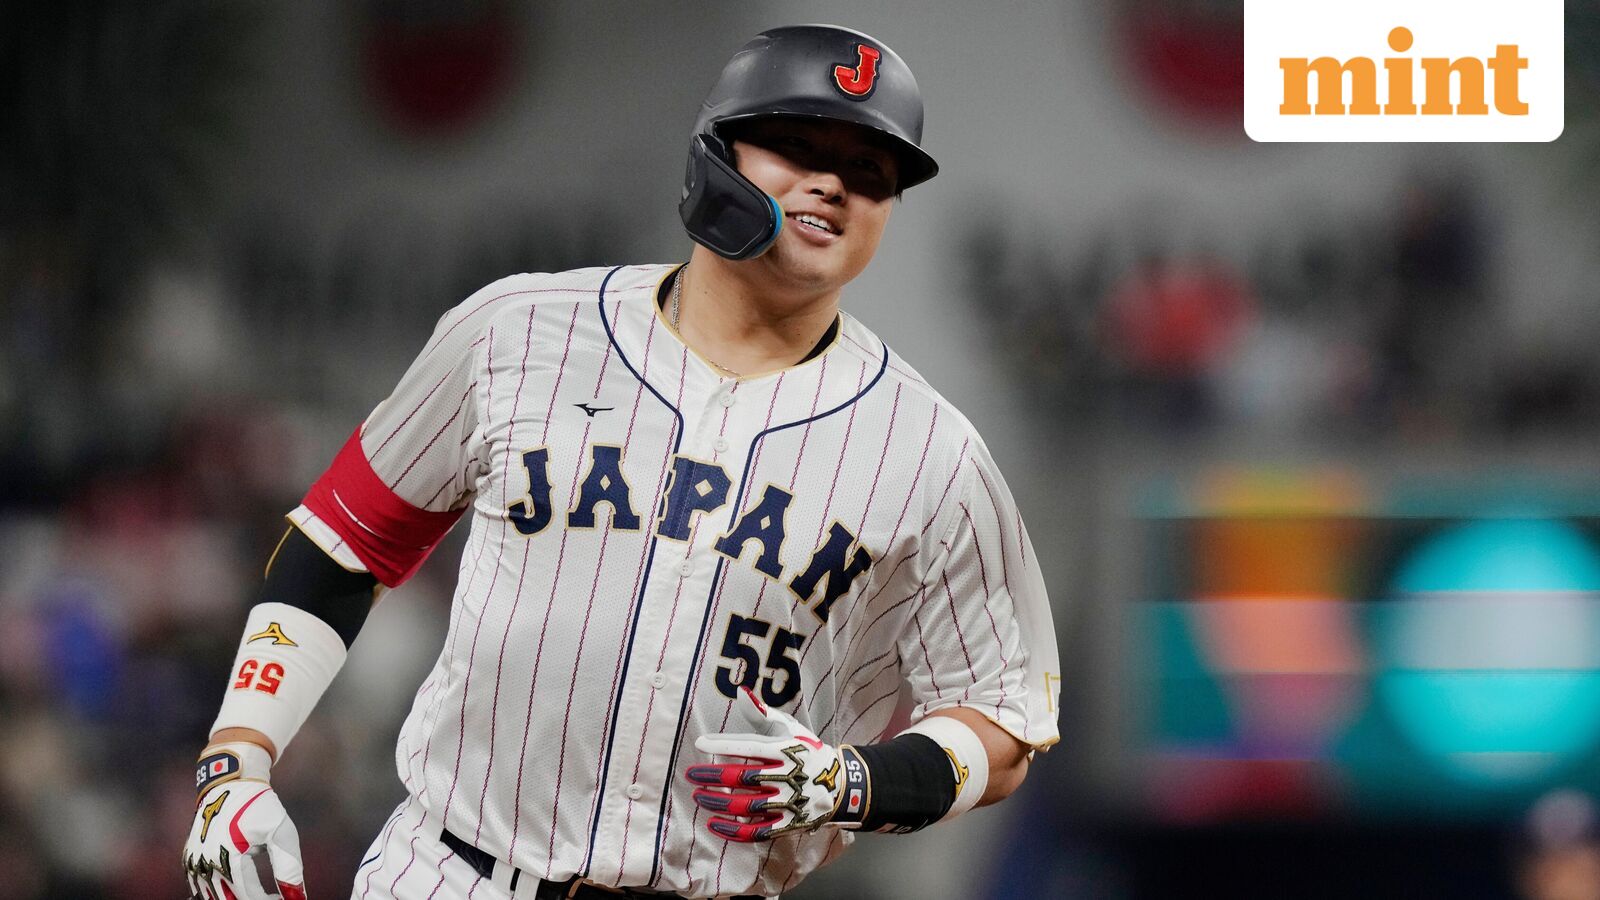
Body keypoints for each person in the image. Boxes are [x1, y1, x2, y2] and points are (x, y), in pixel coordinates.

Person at [181, 24, 1060, 900]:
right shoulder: (516, 332)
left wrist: (856, 782)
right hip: (455, 872)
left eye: (872, 171)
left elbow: (1003, 720)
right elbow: (343, 542)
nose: (832, 182)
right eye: (796, 144)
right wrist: (237, 764)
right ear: (714, 155)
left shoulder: (931, 452)